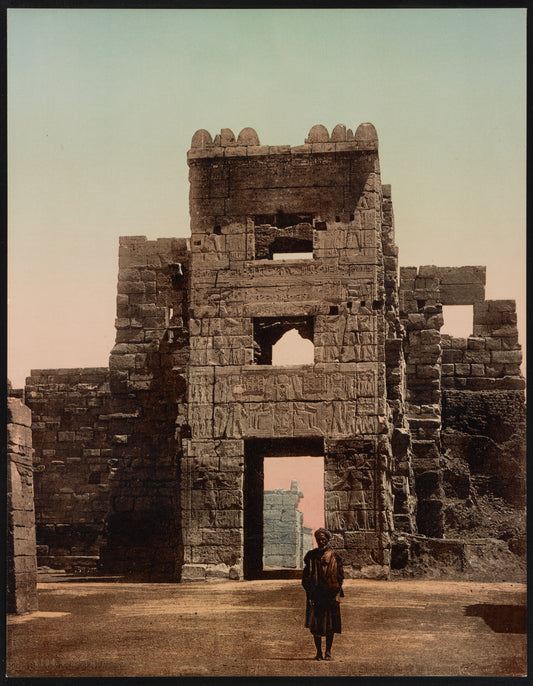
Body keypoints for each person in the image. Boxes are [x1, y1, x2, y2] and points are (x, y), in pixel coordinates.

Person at [302, 527, 344, 661]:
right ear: (316, 540)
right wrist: (310, 592)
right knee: (317, 626)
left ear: (327, 540)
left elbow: (340, 576)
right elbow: (305, 578)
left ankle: (328, 652)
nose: (321, 542)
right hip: (316, 595)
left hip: (330, 594)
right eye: (319, 539)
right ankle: (319, 652)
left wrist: (336, 588)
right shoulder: (311, 556)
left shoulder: (335, 556)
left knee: (331, 625)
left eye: (323, 539)